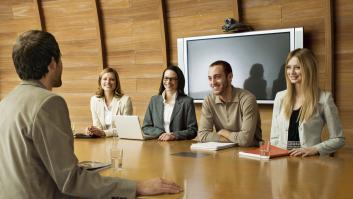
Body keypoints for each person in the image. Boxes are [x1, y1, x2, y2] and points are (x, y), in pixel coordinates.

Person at [0, 30, 182, 198]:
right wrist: (137, 186)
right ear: (53, 63)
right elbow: (71, 181)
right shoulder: (49, 103)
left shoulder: (5, 103)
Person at [270, 48, 345, 157]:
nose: (291, 72)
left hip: (310, 162)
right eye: (289, 67)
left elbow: (338, 139)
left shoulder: (324, 98)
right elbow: (274, 137)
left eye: (297, 68)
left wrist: (313, 149)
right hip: (282, 161)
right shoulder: (280, 97)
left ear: (309, 69)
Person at [197, 60, 262, 146]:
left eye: (217, 77)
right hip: (223, 151)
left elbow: (245, 140)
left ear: (230, 77)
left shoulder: (248, 99)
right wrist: (229, 139)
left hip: (249, 152)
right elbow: (202, 135)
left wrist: (224, 132)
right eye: (210, 78)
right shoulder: (208, 100)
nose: (213, 82)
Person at [142, 66, 198, 141]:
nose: (168, 82)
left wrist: (174, 135)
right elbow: (146, 127)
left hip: (179, 146)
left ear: (179, 81)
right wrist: (161, 134)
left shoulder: (187, 102)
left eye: (173, 79)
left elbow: (193, 131)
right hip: (157, 146)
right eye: (166, 78)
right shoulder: (154, 100)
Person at [88, 67, 132, 137]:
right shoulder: (94, 100)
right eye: (105, 79)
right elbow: (97, 127)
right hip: (100, 142)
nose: (108, 82)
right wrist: (93, 130)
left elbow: (125, 129)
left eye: (112, 79)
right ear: (100, 81)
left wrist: (103, 133)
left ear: (116, 82)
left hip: (120, 144)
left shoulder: (126, 100)